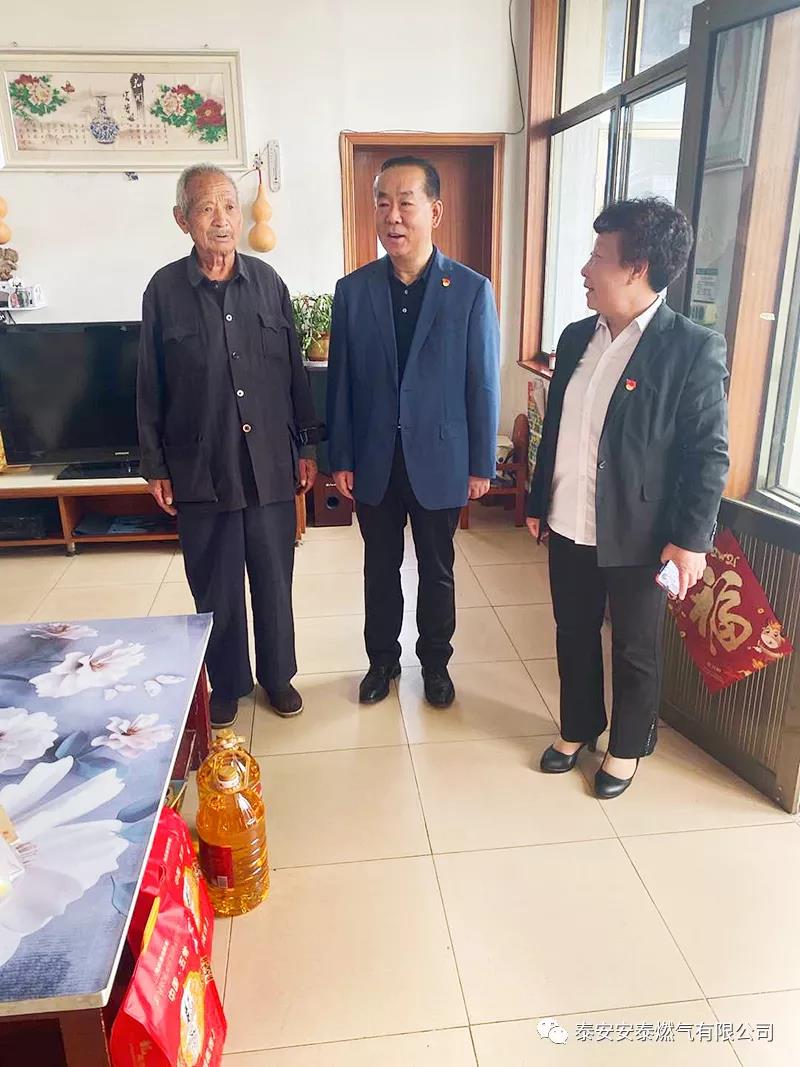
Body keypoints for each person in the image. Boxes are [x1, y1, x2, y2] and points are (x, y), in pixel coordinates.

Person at [527, 197, 729, 798]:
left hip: (640, 532)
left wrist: (690, 541)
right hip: (569, 516)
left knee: (635, 646)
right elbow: (556, 431)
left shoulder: (690, 348)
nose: (585, 269)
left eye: (597, 257)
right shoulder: (576, 337)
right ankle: (578, 727)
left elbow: (708, 454)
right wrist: (538, 502)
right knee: (573, 630)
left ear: (637, 267)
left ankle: (627, 747)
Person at [137, 163, 320, 728]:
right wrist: (155, 465)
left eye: (230, 206)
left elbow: (294, 373)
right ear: (182, 220)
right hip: (200, 464)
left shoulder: (268, 283)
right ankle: (228, 684)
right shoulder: (164, 291)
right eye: (206, 207)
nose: (222, 219)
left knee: (274, 577)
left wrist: (307, 447)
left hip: (269, 463)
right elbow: (149, 384)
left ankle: (278, 676)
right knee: (214, 584)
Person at [327, 156, 500, 707]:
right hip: (374, 457)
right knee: (378, 569)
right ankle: (381, 662)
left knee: (437, 570)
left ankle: (436, 664)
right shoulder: (353, 291)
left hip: (441, 457)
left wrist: (481, 463)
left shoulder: (469, 290)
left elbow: (482, 383)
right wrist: (340, 456)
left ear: (435, 212)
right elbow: (340, 383)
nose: (392, 216)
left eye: (406, 203)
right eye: (382, 203)